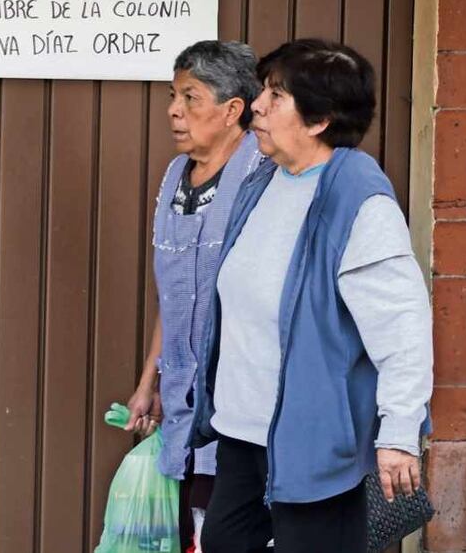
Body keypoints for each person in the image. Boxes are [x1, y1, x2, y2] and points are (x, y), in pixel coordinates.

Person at [190, 39, 433, 553]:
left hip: (315, 445)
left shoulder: (358, 202)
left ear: (319, 120)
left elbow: (403, 330)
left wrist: (398, 436)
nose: (256, 105)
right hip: (243, 435)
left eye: (276, 97)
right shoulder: (266, 181)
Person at [125, 40, 263, 551]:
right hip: (185, 397)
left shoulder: (260, 177)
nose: (174, 111)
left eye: (190, 97)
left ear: (232, 111)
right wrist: (149, 382)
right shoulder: (175, 177)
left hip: (239, 399)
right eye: (173, 96)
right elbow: (176, 293)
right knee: (194, 532)